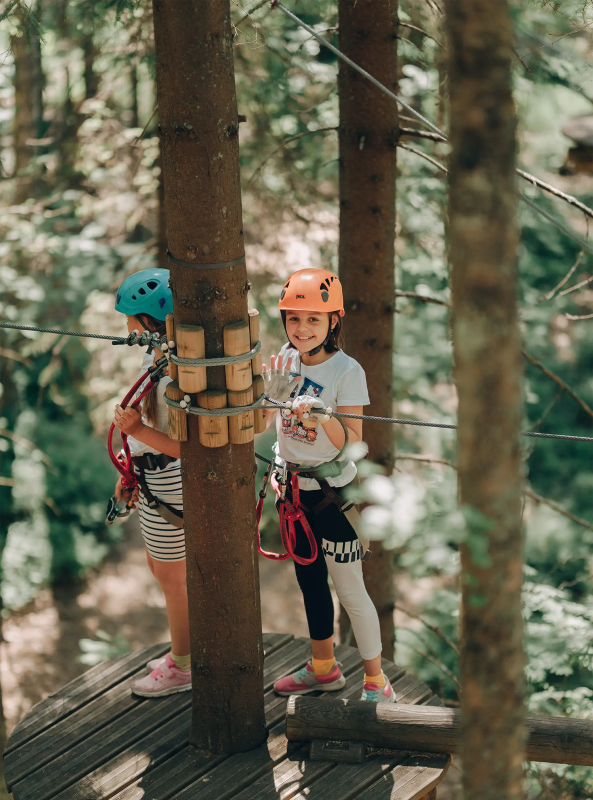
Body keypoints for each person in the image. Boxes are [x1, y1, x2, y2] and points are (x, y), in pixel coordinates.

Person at [263, 268, 395, 704]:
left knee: (350, 590)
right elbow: (267, 425)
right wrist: (269, 397)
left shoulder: (347, 371)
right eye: (294, 318)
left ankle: (377, 682)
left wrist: (323, 416)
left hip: (332, 496)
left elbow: (354, 443)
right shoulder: (285, 359)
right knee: (310, 582)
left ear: (333, 321)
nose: (301, 329)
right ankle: (324, 668)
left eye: (313, 320)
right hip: (294, 492)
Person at [112, 268, 191, 697]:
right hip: (152, 475)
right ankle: (184, 650)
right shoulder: (156, 361)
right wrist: (134, 455)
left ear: (150, 323)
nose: (126, 328)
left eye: (131, 319)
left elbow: (187, 447)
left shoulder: (172, 376)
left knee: (172, 577)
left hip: (169, 480)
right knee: (161, 570)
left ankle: (183, 664)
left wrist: (137, 434)